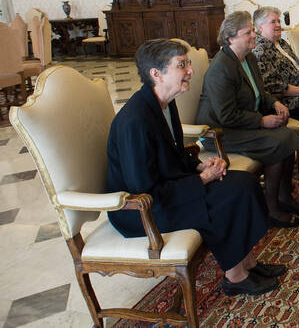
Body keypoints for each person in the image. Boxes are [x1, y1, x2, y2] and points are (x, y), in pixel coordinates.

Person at [106, 39, 285, 297]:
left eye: (188, 63)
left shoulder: (163, 103)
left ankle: (249, 263)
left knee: (243, 182)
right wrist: (201, 180)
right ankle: (235, 277)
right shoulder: (135, 120)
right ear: (156, 74)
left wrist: (202, 165)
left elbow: (174, 154)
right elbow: (144, 189)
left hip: (167, 189)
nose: (190, 70)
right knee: (226, 197)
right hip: (141, 209)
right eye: (181, 65)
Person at [196, 11, 299, 229]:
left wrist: (274, 103)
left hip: (242, 123)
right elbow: (226, 115)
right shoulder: (220, 68)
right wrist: (261, 121)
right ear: (231, 38)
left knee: (287, 136)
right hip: (221, 132)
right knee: (277, 142)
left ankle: (284, 198)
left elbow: (260, 92)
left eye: (252, 30)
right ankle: (271, 209)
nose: (254, 34)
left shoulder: (248, 57)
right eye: (247, 32)